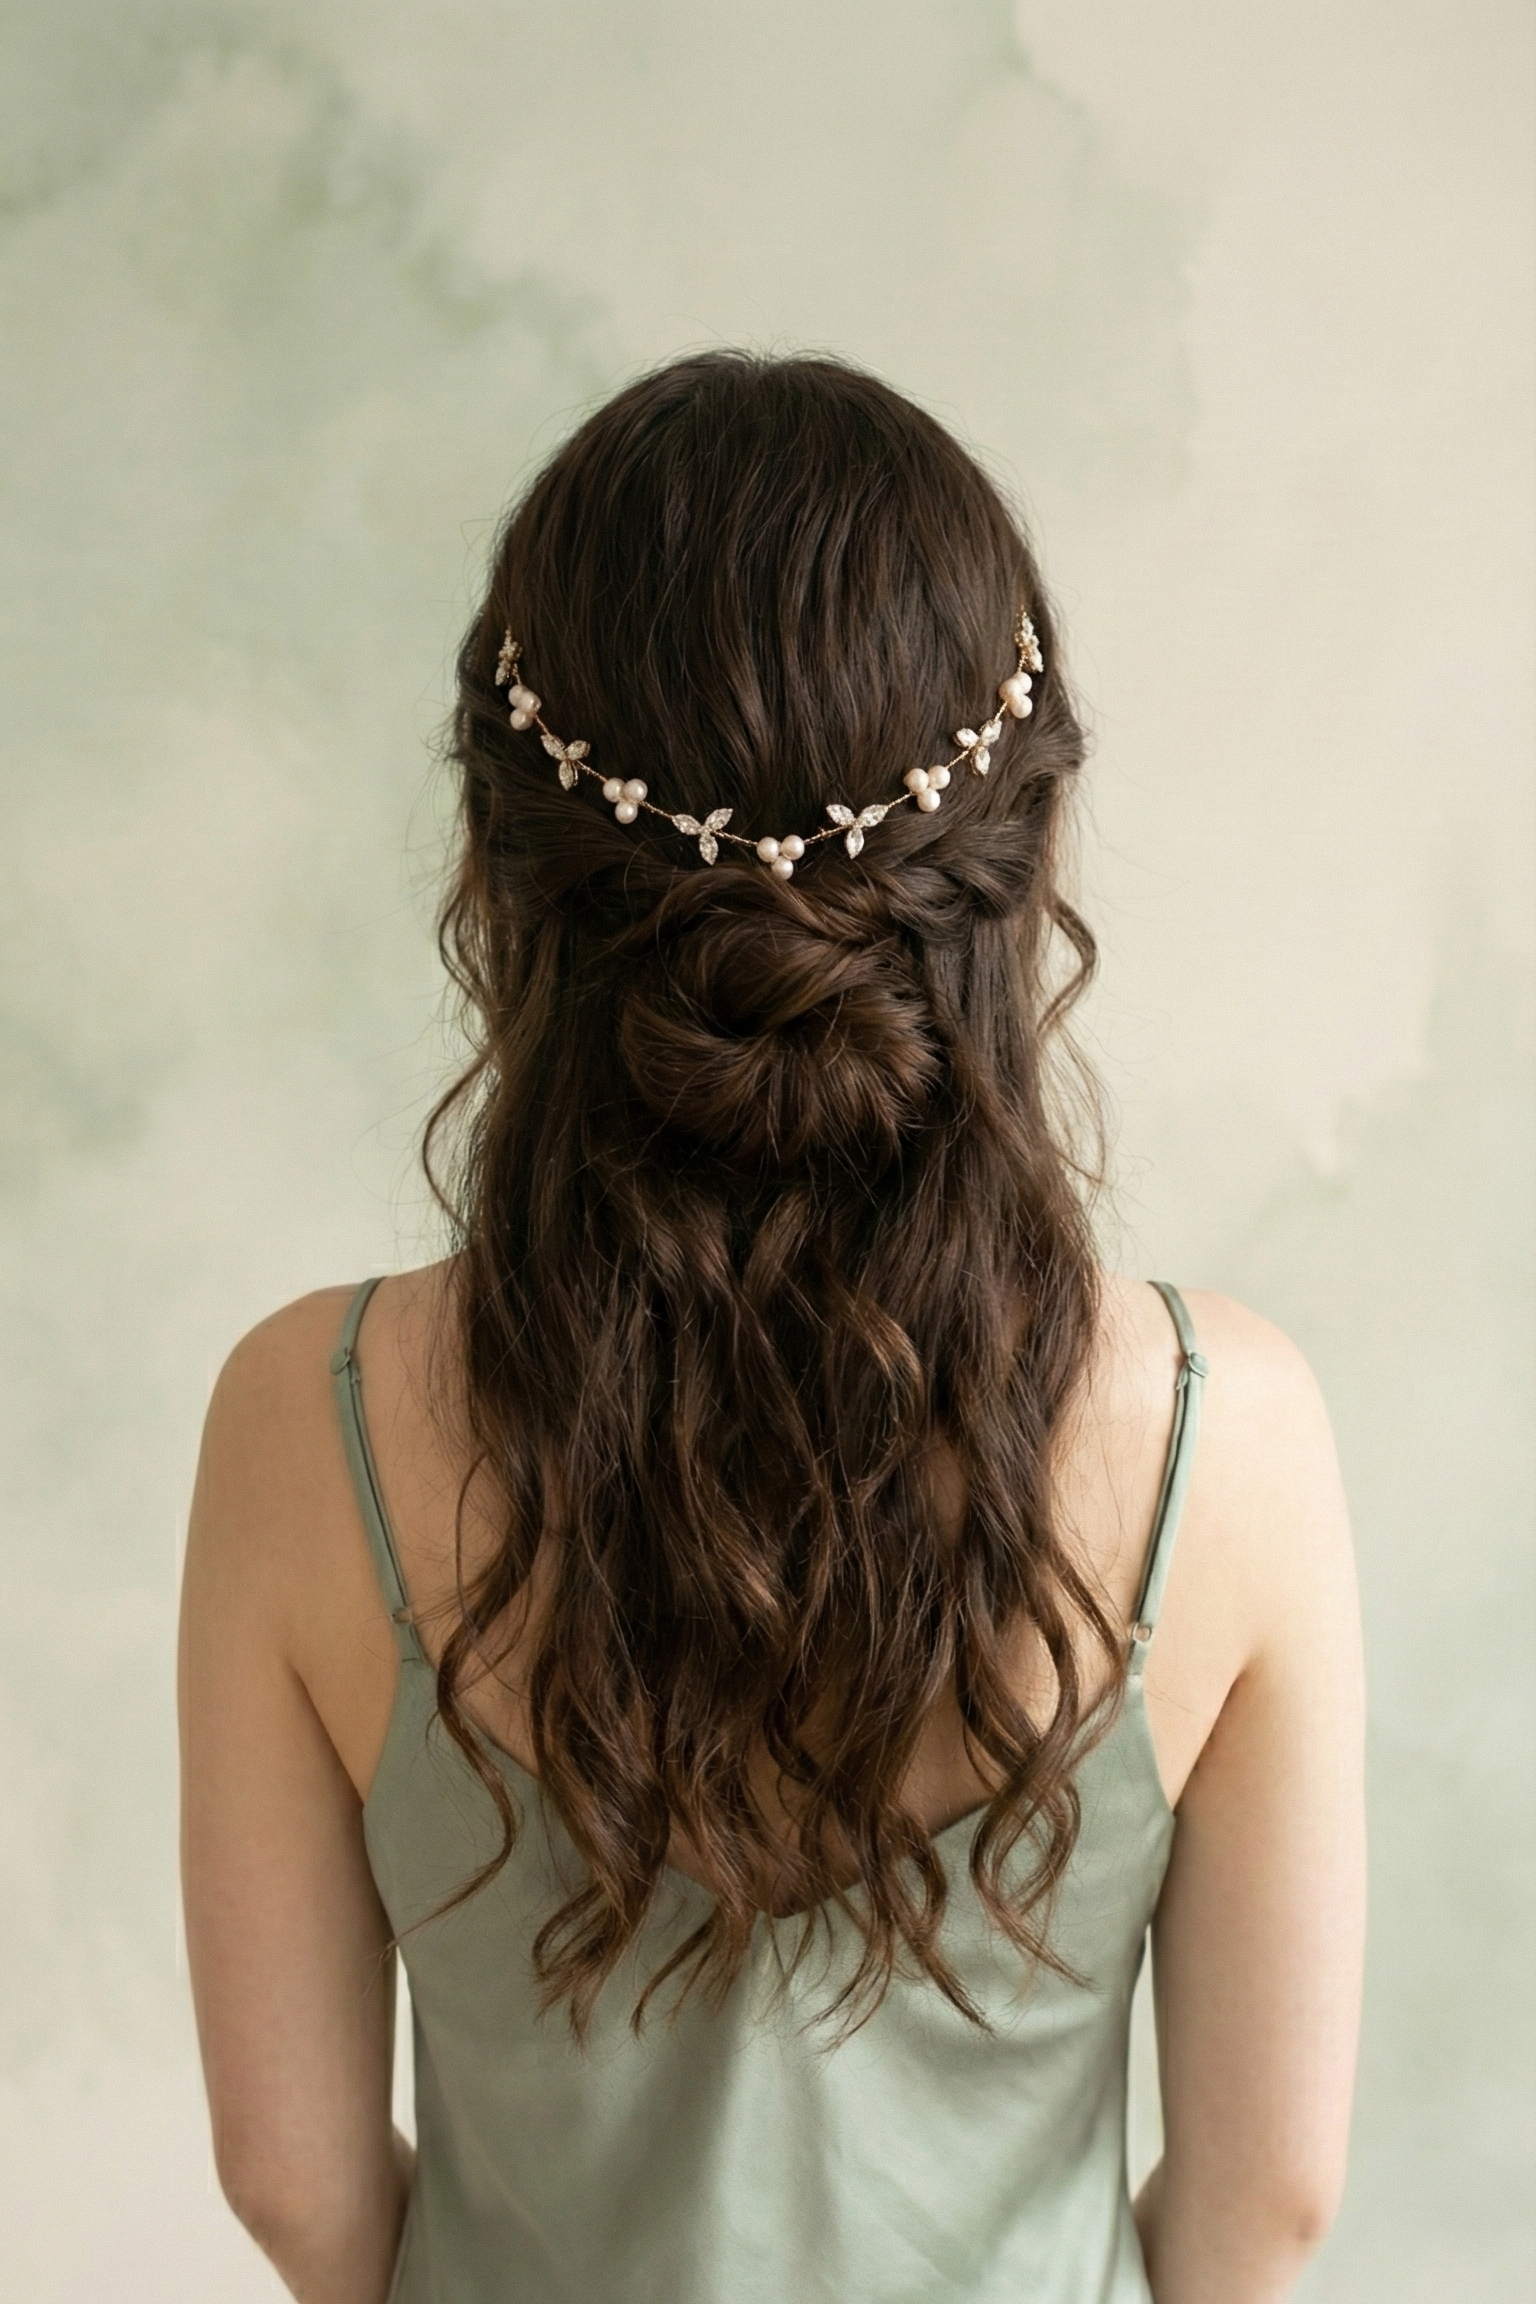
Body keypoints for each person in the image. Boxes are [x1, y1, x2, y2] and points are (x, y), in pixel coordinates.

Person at [179, 352, 1366, 2304]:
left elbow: (292, 2181)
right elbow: (1273, 2201)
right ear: (1014, 858)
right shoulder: (1220, 1433)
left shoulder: (303, 1419)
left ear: (505, 860)